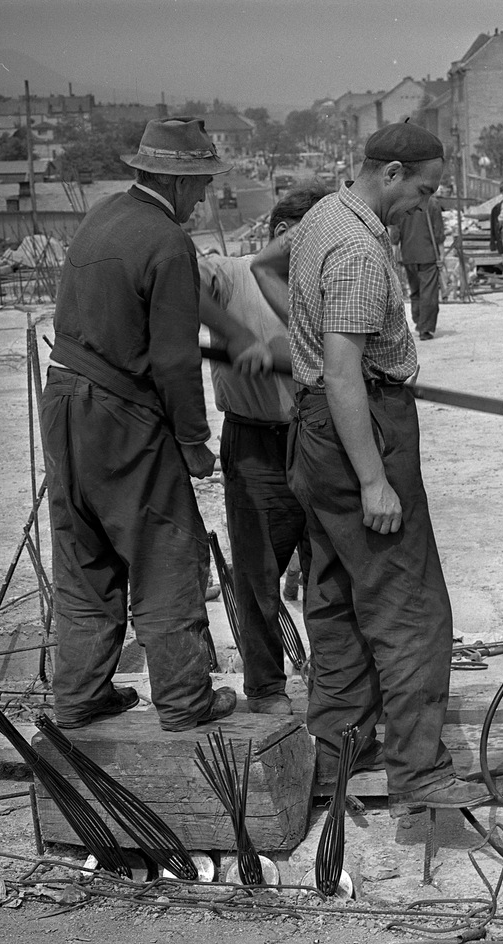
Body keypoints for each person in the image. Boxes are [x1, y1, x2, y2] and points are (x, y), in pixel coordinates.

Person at [281, 121, 484, 813]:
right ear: (391, 172)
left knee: (336, 596)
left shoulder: (320, 216)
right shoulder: (361, 251)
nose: (422, 206)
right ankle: (420, 774)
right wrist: (374, 478)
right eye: (422, 191)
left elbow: (272, 273)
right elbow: (343, 371)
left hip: (312, 431)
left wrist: (296, 339)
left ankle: (341, 749)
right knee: (411, 609)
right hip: (357, 427)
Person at [43, 117, 236, 732]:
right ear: (176, 181)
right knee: (165, 551)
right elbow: (174, 359)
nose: (203, 196)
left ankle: (79, 698)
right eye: (200, 183)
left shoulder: (101, 215)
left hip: (64, 400)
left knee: (84, 552)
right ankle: (184, 701)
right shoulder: (167, 241)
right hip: (119, 414)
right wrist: (193, 442)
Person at [196, 184, 329, 717]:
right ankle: (268, 690)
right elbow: (172, 278)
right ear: (280, 234)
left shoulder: (323, 283)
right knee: (256, 580)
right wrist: (233, 336)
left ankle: (333, 690)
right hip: (255, 447)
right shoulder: (228, 275)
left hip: (319, 443)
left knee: (329, 577)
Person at [389, 187, 445, 340]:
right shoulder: (432, 203)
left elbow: (395, 234)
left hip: (408, 255)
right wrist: (442, 255)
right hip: (428, 255)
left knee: (415, 291)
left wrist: (395, 256)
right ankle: (425, 328)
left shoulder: (402, 204)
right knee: (429, 293)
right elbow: (438, 232)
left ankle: (418, 321)